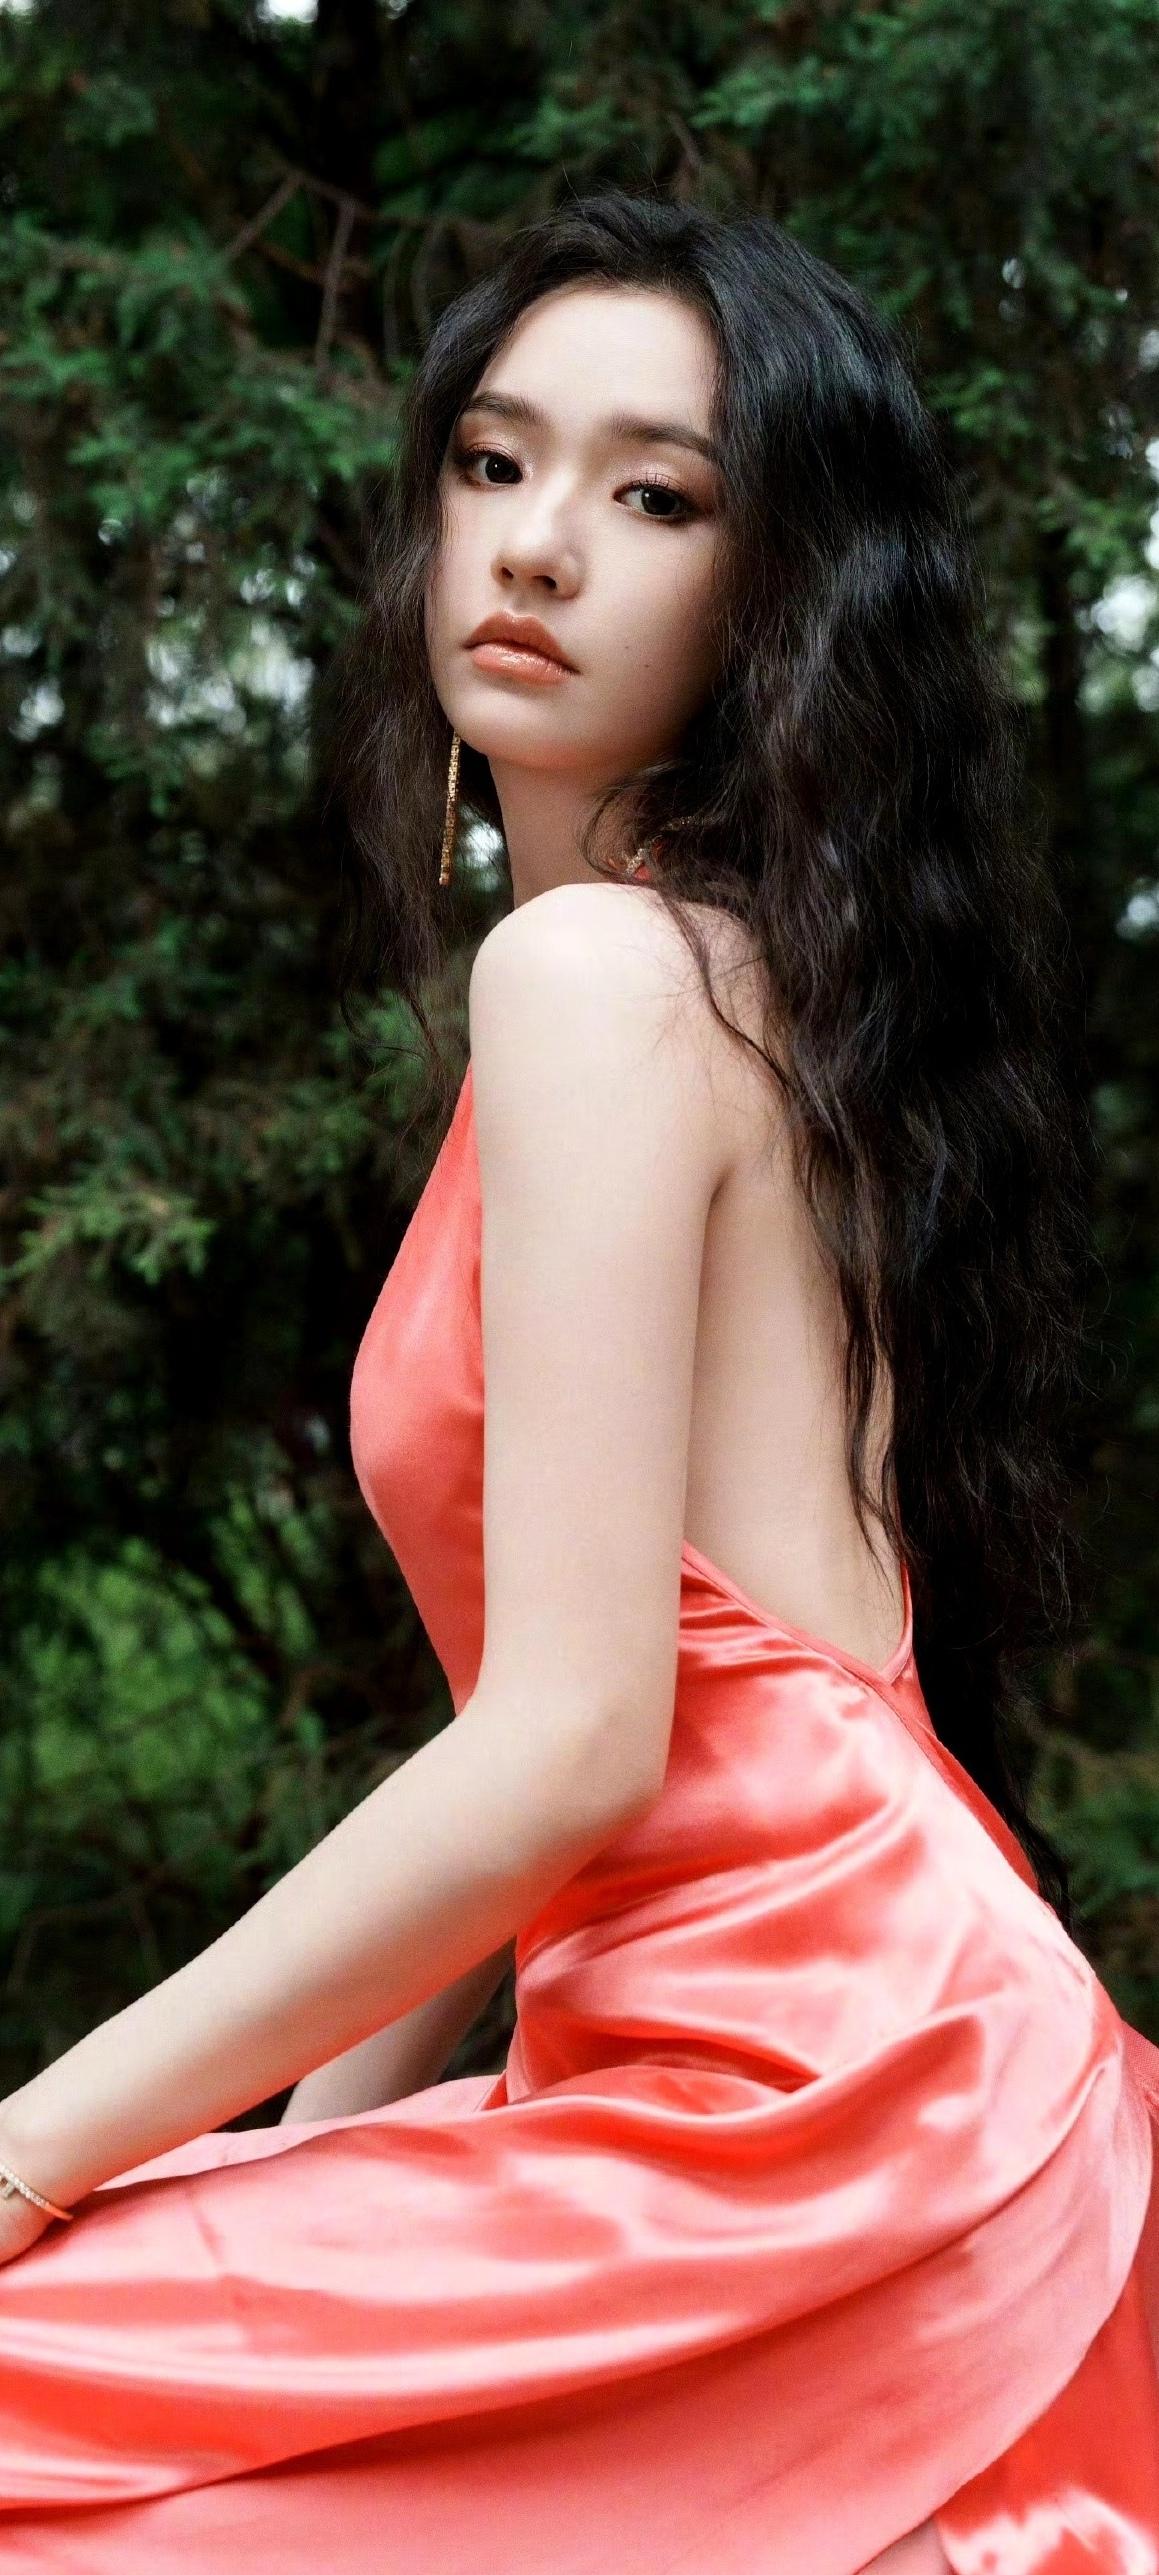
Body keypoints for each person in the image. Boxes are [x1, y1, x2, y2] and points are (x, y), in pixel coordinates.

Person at [1, 187, 1157, 2574]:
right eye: (493, 461)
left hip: (810, 2090)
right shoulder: (717, 988)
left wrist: (36, 2144)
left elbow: (572, 1739)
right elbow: (565, 1765)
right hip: (848, 2056)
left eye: (655, 495)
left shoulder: (599, 982)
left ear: (776, 594)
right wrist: (301, 2167)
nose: (535, 544)